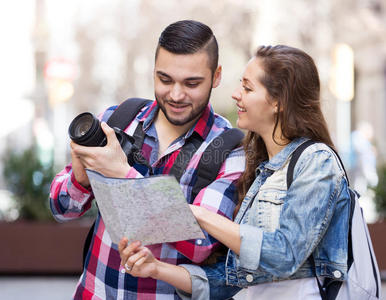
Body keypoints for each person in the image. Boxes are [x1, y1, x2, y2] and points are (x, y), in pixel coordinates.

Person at [118, 45, 351, 300]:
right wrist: (156, 269)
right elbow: (228, 279)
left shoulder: (316, 162)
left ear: (278, 102)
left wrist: (199, 214)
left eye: (248, 88)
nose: (235, 94)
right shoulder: (259, 168)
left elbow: (284, 256)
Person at [49, 20, 245, 299]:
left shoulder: (229, 149)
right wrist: (80, 178)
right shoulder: (119, 120)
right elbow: (60, 208)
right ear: (153, 71)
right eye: (165, 80)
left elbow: (203, 242)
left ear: (216, 76)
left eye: (192, 83)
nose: (176, 95)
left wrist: (122, 173)